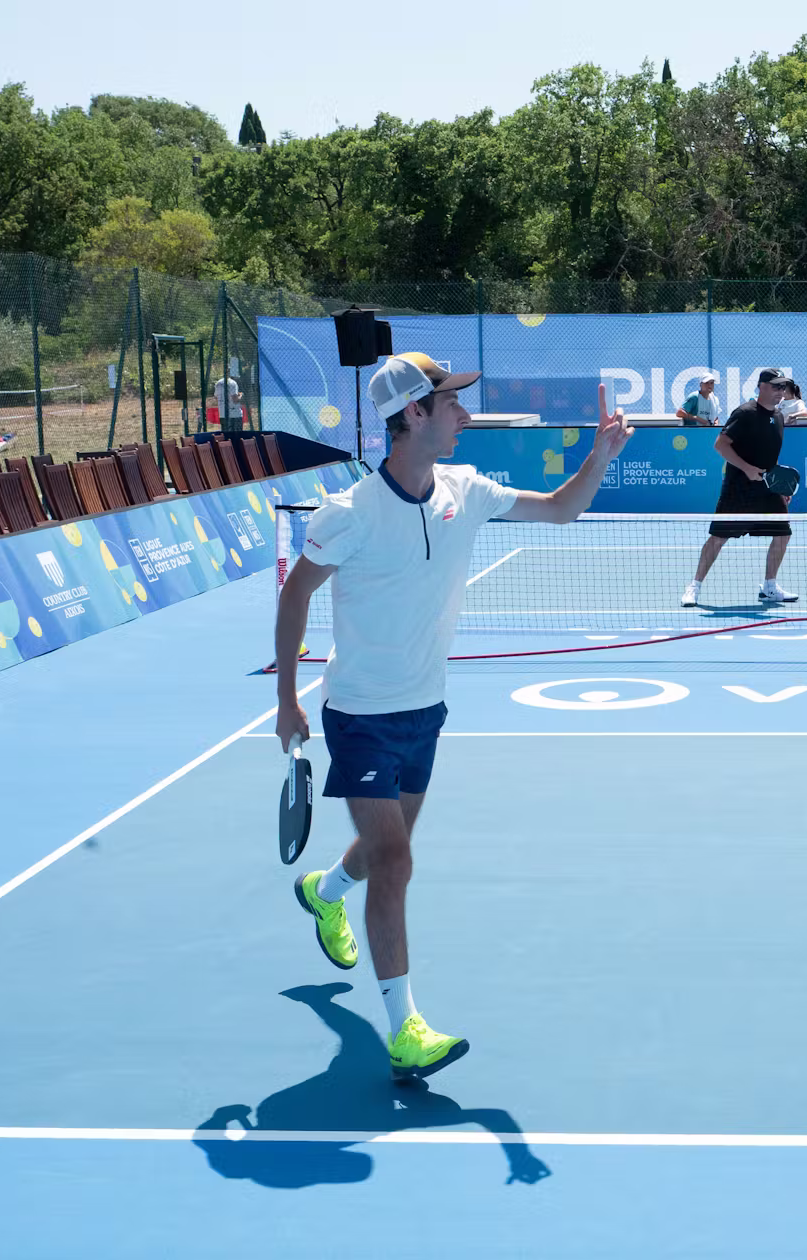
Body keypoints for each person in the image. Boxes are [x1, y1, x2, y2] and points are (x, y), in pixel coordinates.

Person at [274, 350, 634, 1082]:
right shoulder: (350, 514)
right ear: (414, 415)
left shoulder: (465, 490)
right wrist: (286, 699)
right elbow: (295, 595)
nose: (465, 416)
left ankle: (324, 891)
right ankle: (404, 1026)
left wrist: (600, 457)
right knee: (398, 862)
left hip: (425, 709)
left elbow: (561, 509)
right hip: (361, 714)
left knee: (385, 851)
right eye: (452, 404)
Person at [684, 368, 798, 607]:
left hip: (768, 489)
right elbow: (721, 445)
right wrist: (746, 468)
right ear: (762, 386)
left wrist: (779, 485)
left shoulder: (778, 417)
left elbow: (770, 456)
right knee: (718, 538)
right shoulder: (745, 413)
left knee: (783, 535)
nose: (780, 392)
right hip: (738, 490)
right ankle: (694, 586)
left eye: (783, 387)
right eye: (776, 386)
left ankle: (769, 586)